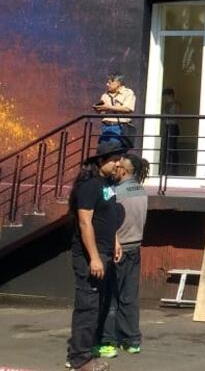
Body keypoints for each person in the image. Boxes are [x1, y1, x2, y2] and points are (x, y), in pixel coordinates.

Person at [67, 140, 126, 371]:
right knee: (87, 307)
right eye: (113, 159)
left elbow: (108, 218)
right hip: (90, 256)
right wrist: (93, 257)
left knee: (96, 306)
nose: (118, 163)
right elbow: (85, 222)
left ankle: (84, 352)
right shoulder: (90, 186)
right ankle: (79, 359)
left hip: (105, 251)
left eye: (119, 159)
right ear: (101, 161)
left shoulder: (107, 186)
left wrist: (116, 241)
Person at [100, 154, 149, 358]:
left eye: (118, 166)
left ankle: (108, 342)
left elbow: (102, 216)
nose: (115, 168)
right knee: (129, 296)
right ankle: (131, 341)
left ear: (125, 171)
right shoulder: (141, 190)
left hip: (117, 249)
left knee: (109, 297)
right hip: (135, 248)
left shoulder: (113, 192)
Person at [95, 74, 137, 150]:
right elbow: (102, 113)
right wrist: (99, 109)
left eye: (110, 82)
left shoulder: (128, 93)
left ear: (118, 83)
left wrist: (108, 107)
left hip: (119, 127)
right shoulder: (105, 95)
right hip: (105, 127)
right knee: (102, 149)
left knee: (113, 149)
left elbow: (128, 108)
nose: (107, 84)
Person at [159, 88, 181, 177]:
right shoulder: (166, 104)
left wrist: (168, 107)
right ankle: (165, 170)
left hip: (173, 127)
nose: (165, 99)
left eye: (166, 97)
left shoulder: (175, 104)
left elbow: (176, 115)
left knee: (172, 149)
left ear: (171, 96)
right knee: (165, 148)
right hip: (167, 127)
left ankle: (174, 171)